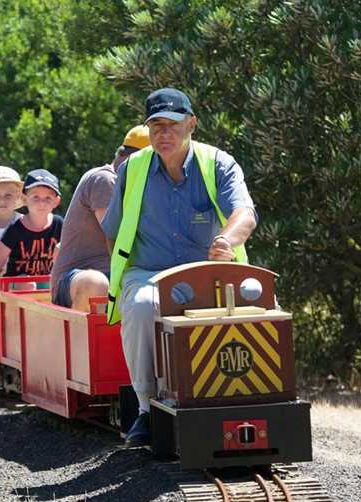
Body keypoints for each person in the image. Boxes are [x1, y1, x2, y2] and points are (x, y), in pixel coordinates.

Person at [102, 88, 258, 446]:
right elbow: (113, 231)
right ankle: (144, 409)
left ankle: (247, 396)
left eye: (172, 124)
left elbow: (245, 213)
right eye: (155, 125)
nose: (163, 133)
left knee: (263, 305)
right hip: (149, 273)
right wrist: (125, 280)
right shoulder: (133, 169)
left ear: (191, 124)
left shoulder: (218, 163)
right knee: (141, 306)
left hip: (209, 270)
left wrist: (226, 241)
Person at [50, 125, 151, 311]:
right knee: (95, 283)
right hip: (76, 281)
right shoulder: (105, 180)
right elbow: (117, 237)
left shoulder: (134, 188)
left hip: (113, 275)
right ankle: (83, 340)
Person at [0, 169, 63, 286]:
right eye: (36, 197)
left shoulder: (59, 224)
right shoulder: (15, 229)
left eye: (48, 198)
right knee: (28, 283)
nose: (42, 203)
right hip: (17, 283)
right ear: (25, 199)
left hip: (46, 281)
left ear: (56, 202)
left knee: (57, 281)